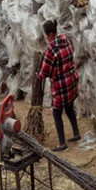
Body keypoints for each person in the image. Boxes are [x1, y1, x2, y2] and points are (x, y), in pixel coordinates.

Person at [38, 20, 81, 152]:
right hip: (71, 81)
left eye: (46, 36)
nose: (46, 38)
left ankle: (62, 144)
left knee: (56, 113)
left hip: (61, 85)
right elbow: (71, 52)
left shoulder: (51, 49)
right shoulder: (66, 39)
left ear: (50, 34)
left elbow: (45, 71)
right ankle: (76, 134)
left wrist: (38, 75)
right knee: (69, 107)